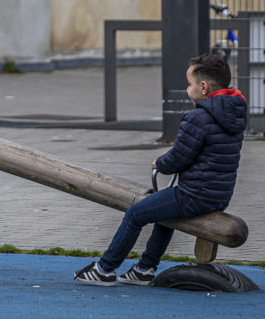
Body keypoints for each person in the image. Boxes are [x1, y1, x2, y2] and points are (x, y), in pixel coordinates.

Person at [74, 53, 247, 286]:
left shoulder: (197, 118)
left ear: (203, 87)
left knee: (135, 214)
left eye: (189, 84)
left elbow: (178, 159)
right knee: (163, 214)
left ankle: (105, 269)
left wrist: (159, 163)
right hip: (218, 196)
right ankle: (144, 268)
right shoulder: (234, 115)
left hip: (193, 196)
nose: (187, 89)